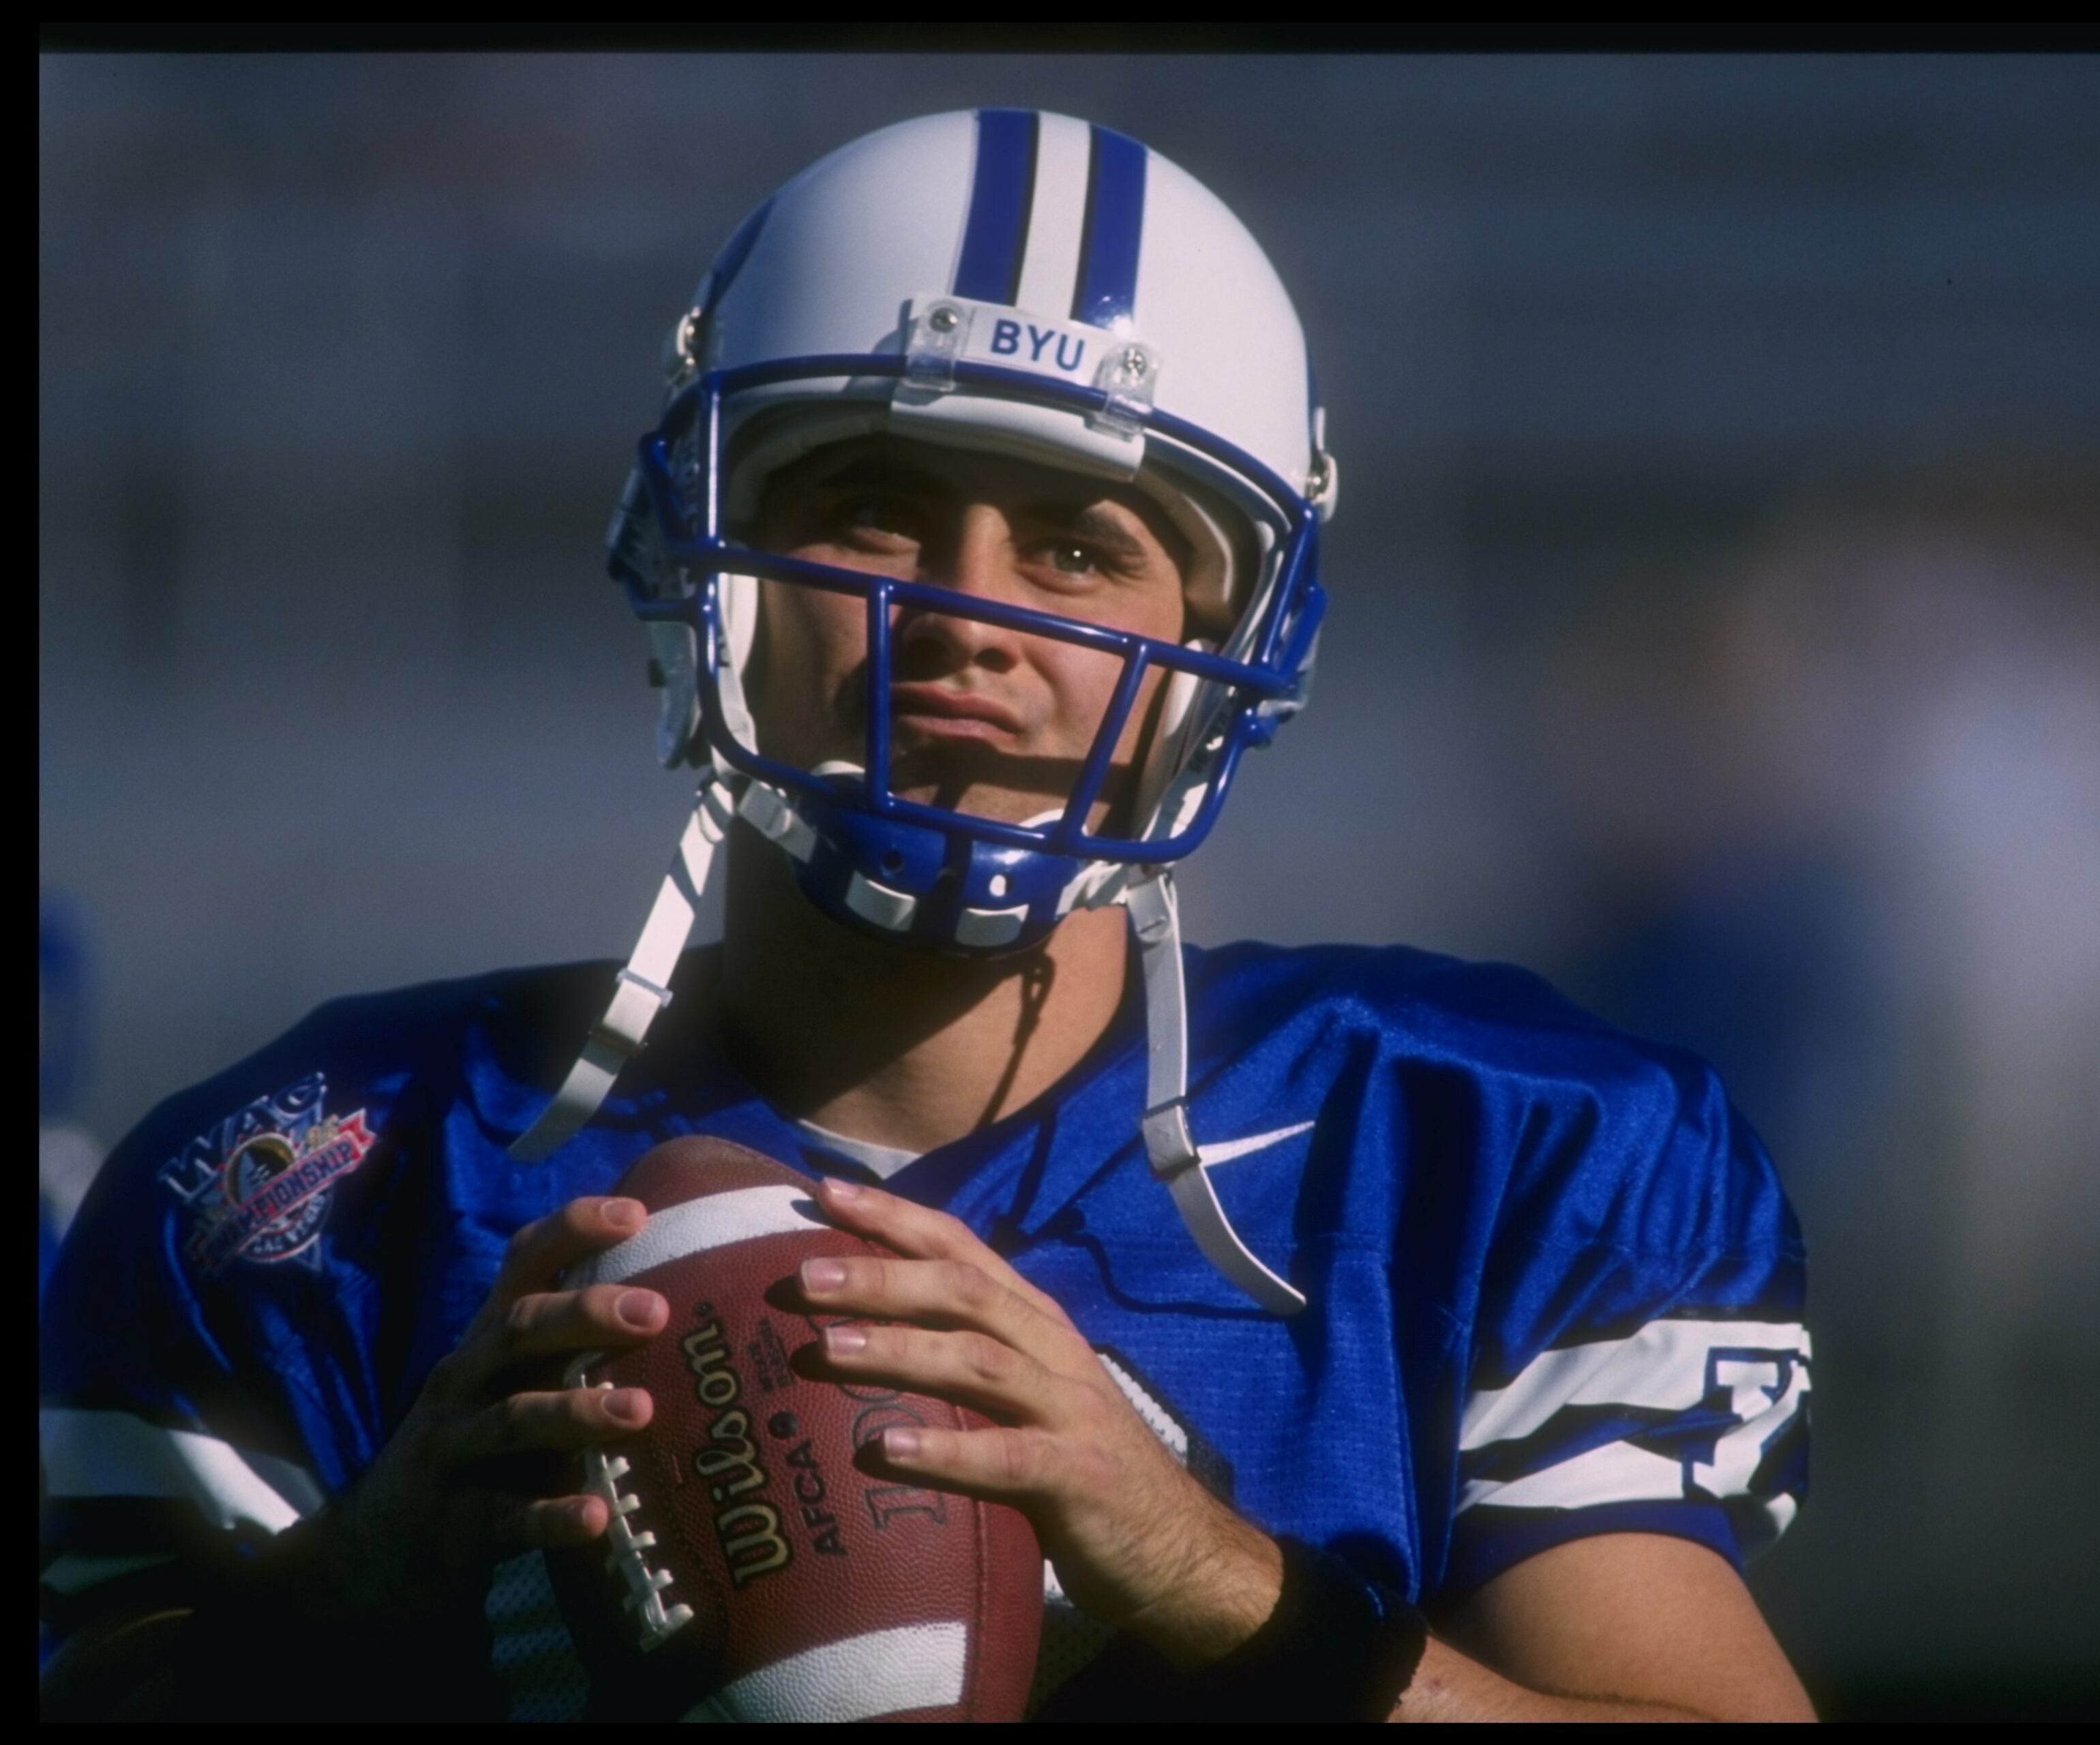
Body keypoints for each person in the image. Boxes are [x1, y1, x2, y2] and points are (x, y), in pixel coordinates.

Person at [38, 109, 1814, 1722]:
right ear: (703, 563)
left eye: (1080, 548)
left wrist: (1209, 1574)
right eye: (875, 513)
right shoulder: (329, 1186)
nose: (968, 618)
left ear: (1224, 650)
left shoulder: (1483, 1149)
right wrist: (364, 1596)